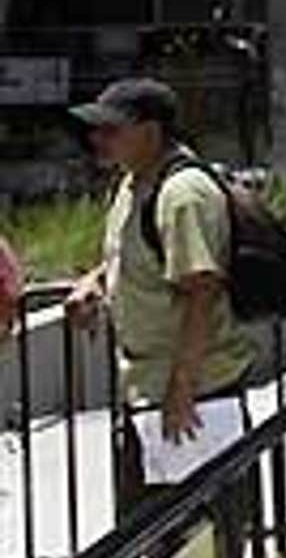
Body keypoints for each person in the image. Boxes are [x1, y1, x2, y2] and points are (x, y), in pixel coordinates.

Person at [65, 78, 258, 557]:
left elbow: (202, 291)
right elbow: (136, 257)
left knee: (197, 534)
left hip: (193, 400)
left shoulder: (183, 193)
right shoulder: (134, 183)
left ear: (150, 131)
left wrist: (182, 386)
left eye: (111, 129)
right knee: (153, 533)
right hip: (152, 393)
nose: (99, 140)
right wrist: (96, 281)